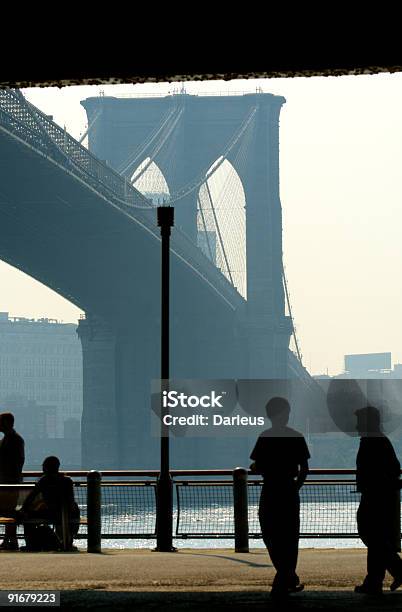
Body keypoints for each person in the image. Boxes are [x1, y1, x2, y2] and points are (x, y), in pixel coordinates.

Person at [250, 396, 310, 598]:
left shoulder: (264, 437)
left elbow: (257, 466)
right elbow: (304, 469)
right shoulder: (297, 436)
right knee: (290, 535)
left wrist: (256, 468)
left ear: (269, 415)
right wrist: (296, 487)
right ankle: (287, 576)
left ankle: (284, 576)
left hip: (270, 489)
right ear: (285, 414)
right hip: (289, 489)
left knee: (270, 532)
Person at [354, 406, 402, 595]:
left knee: (372, 536)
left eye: (359, 422)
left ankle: (383, 576)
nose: (357, 426)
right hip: (383, 496)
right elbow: (394, 469)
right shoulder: (379, 441)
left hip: (375, 496)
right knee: (377, 539)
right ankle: (374, 580)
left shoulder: (371, 442)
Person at [19, 456, 80, 551]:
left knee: (28, 517)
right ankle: (68, 541)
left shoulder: (44, 480)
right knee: (71, 516)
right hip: (66, 513)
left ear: (46, 468)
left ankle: (30, 544)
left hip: (51, 513)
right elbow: (71, 500)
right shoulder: (67, 480)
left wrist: (23, 509)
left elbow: (31, 497)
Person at [0, 412, 25, 550]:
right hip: (9, 482)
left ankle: (11, 540)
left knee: (8, 511)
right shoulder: (13, 439)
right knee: (8, 511)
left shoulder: (14, 440)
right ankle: (9, 539)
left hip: (9, 482)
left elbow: (18, 461)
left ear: (6, 423)